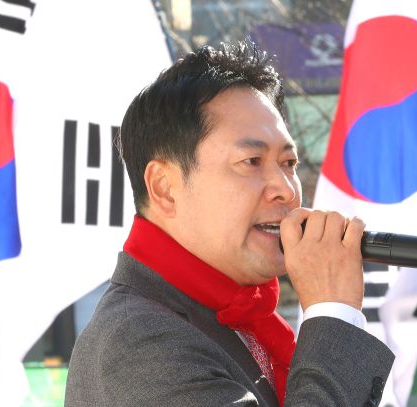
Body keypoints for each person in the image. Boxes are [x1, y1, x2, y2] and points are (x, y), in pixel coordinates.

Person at [65, 40, 394, 407]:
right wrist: (332, 311)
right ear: (164, 187)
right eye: (252, 161)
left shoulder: (233, 320)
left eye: (289, 164)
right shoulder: (137, 341)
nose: (286, 190)